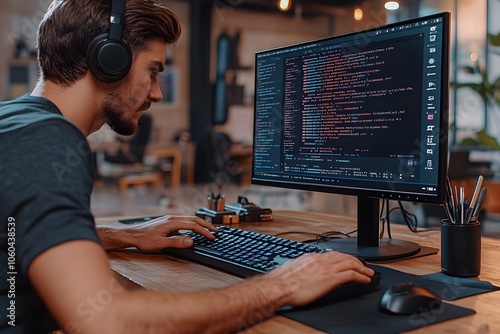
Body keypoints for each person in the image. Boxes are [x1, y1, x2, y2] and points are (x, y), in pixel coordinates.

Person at [0, 0, 375, 333]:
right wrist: (283, 285)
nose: (157, 92)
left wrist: (125, 235)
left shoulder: (14, 119)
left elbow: (14, 230)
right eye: (152, 70)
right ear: (108, 60)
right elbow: (111, 321)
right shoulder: (48, 140)